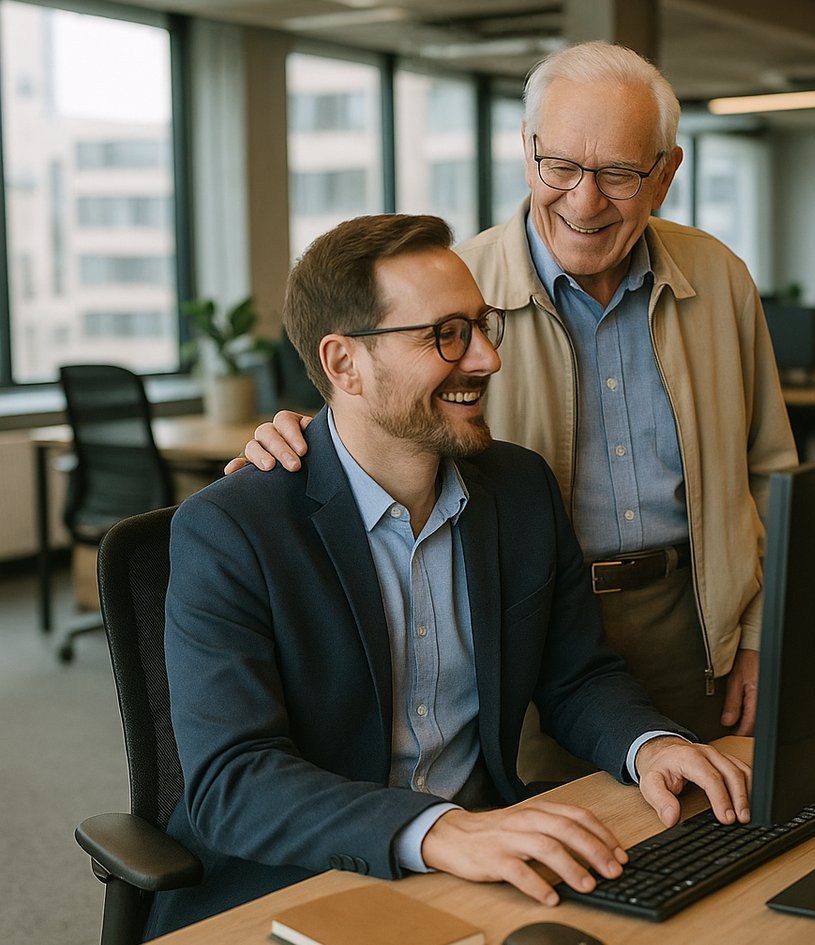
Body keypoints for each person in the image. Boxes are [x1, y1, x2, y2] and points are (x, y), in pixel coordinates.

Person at [151, 213, 751, 938]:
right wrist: (441, 830)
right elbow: (233, 780)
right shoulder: (233, 529)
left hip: (484, 862)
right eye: (446, 335)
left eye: (481, 324)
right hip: (298, 882)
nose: (488, 359)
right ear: (344, 364)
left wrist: (648, 743)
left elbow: (576, 675)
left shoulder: (519, 488)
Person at [229, 41, 796, 784]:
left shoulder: (719, 278)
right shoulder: (460, 288)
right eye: (559, 165)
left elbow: (770, 472)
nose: (584, 200)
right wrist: (292, 440)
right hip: (518, 635)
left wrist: (760, 631)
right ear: (527, 153)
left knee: (703, 836)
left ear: (666, 173)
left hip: (697, 624)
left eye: (619, 174)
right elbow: (382, 407)